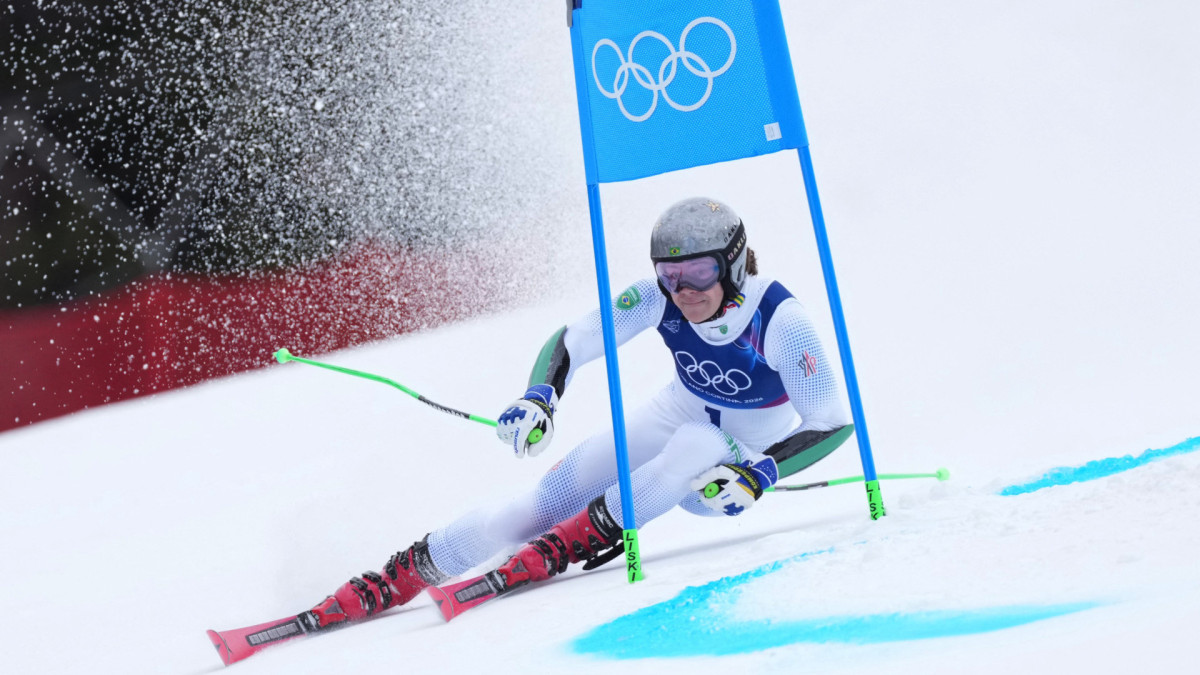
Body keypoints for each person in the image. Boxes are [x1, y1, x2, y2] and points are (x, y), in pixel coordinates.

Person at [307, 196, 850, 628]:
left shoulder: (779, 319)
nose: (683, 290)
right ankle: (404, 573)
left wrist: (762, 472)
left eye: (701, 273)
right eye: (670, 274)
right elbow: (575, 340)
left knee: (696, 444)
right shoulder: (658, 295)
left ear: (732, 263)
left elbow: (832, 422)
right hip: (677, 409)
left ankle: (568, 544)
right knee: (536, 504)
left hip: (730, 467)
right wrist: (540, 395)